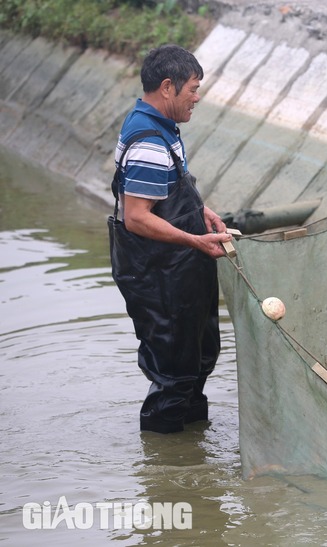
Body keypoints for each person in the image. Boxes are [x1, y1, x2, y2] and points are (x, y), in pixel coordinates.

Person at [108, 44, 232, 434]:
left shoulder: (163, 127)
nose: (197, 97)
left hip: (180, 270)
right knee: (174, 375)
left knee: (198, 361)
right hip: (160, 276)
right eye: (193, 88)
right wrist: (195, 240)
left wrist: (202, 212)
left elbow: (171, 188)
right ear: (167, 87)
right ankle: (163, 466)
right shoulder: (147, 140)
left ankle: (193, 453)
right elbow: (137, 218)